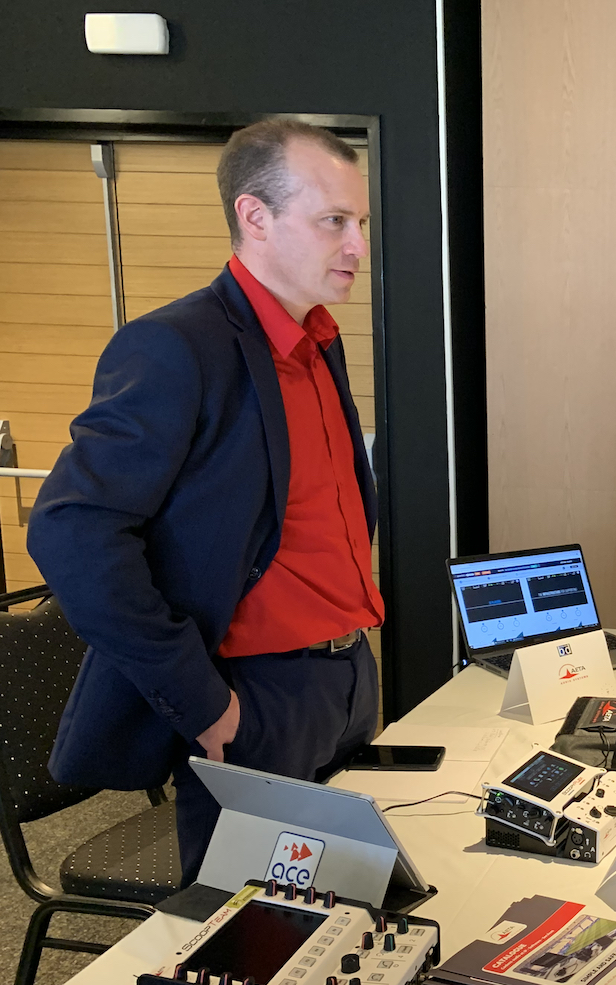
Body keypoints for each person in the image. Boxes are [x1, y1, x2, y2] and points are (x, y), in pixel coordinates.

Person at [29, 119, 382, 884]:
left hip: (347, 675)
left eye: (361, 222)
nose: (358, 245)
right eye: (335, 221)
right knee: (255, 933)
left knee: (350, 915)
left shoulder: (318, 341)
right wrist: (202, 699)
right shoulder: (178, 346)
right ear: (255, 217)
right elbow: (70, 531)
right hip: (256, 694)